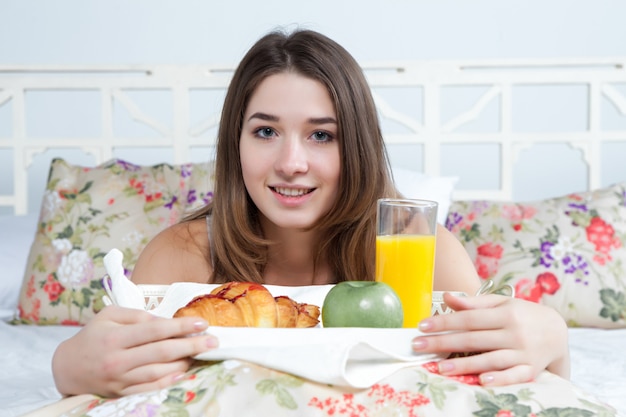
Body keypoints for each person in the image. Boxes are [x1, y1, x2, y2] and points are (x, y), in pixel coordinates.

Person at [52, 29, 569, 398]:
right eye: (265, 131)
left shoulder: (426, 255)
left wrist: (555, 341)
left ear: (358, 147)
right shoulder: (179, 259)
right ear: (236, 143)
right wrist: (67, 367)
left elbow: (511, 392)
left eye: (322, 135)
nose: (291, 163)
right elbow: (125, 392)